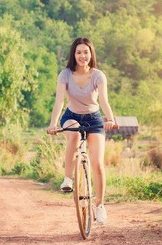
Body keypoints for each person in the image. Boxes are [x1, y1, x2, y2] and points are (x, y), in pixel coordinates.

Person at [46, 37, 116, 224]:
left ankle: (100, 205)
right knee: (74, 135)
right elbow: (59, 101)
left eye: (86, 52)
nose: (82, 56)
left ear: (91, 54)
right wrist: (53, 124)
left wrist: (109, 118)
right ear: (73, 55)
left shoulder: (98, 75)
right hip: (72, 116)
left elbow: (103, 100)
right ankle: (68, 179)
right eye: (79, 52)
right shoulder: (65, 74)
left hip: (94, 119)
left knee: (98, 163)